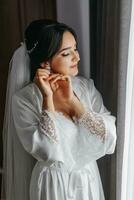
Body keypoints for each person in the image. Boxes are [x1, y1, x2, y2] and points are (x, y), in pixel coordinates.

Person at [2, 19, 116, 200]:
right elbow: (47, 152)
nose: (76, 57)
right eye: (66, 53)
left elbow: (108, 139)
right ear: (45, 62)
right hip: (52, 187)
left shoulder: (86, 89)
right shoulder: (24, 100)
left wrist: (73, 102)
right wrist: (47, 99)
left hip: (88, 184)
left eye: (75, 49)